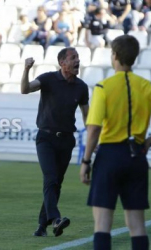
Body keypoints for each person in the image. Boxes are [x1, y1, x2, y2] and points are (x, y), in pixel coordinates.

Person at [80, 35, 150, 250]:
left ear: (115, 56)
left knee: (102, 224)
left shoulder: (104, 87)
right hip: (136, 156)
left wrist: (86, 161)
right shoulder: (146, 86)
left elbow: (93, 129)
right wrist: (146, 143)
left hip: (110, 156)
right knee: (137, 226)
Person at [21, 47, 89, 237]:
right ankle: (56, 219)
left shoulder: (81, 87)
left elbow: (87, 116)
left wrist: (94, 138)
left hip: (67, 140)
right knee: (51, 179)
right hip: (46, 138)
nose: (78, 61)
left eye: (78, 57)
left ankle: (42, 227)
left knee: (56, 183)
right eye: (73, 58)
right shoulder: (48, 79)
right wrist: (26, 69)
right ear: (62, 63)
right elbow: (25, 89)